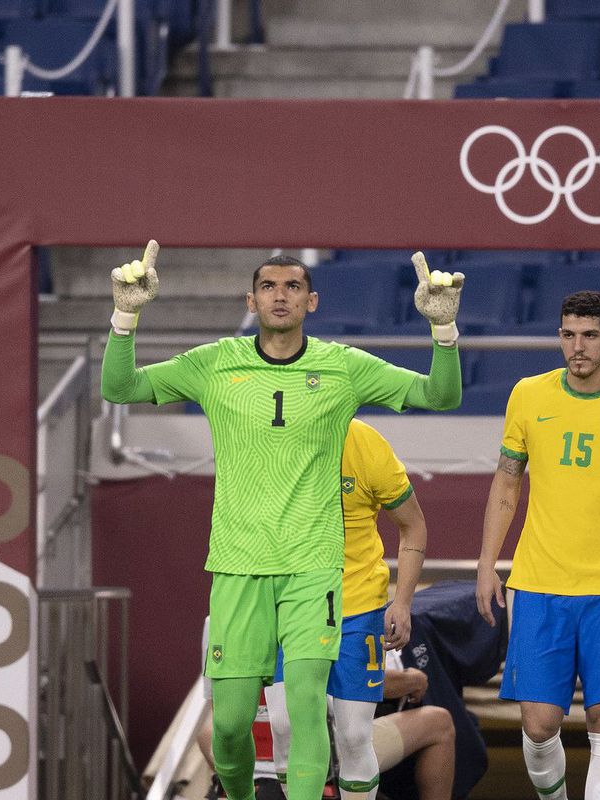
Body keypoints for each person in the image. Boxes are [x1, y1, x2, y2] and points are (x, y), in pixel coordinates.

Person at [100, 244, 463, 800]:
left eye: (292, 287)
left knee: (306, 708)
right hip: (238, 566)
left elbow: (440, 395)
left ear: (311, 301)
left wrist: (443, 331)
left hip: (314, 569)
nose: (280, 295)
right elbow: (119, 388)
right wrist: (125, 319)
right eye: (268, 287)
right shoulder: (214, 362)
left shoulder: (343, 367)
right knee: (228, 724)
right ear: (251, 300)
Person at [475, 290, 600, 800]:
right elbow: (506, 482)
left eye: (589, 336)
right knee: (540, 725)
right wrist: (486, 565)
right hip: (539, 585)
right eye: (568, 335)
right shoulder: (528, 393)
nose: (577, 347)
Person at [265, 418, 428, 800]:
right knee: (285, 725)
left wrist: (402, 601)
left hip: (357, 606)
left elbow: (413, 525)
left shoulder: (367, 444)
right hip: (289, 605)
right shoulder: (272, 440)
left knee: (354, 734)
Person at [197, 654, 456, 800]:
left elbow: (218, 713)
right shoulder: (320, 602)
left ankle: (238, 787)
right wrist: (414, 680)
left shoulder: (217, 620)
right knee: (439, 722)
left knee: (212, 730)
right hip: (325, 755)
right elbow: (365, 682)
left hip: (255, 763)